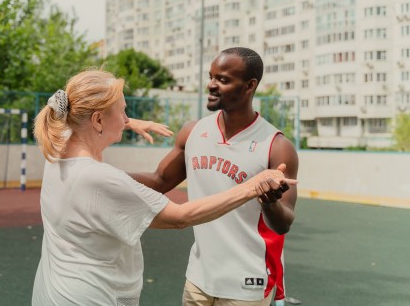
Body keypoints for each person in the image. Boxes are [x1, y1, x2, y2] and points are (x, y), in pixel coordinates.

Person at [31, 68, 296, 306]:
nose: (127, 118)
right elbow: (181, 217)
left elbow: (78, 116)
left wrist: (128, 123)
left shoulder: (57, 151)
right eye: (123, 111)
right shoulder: (100, 178)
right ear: (98, 121)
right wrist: (252, 187)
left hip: (53, 292)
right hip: (91, 297)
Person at [130, 47, 299, 306]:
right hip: (199, 276)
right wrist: (102, 175)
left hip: (248, 281)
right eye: (211, 77)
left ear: (249, 86)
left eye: (223, 80)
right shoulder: (193, 132)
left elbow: (284, 223)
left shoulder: (276, 146)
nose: (211, 85)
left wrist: (269, 201)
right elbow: (159, 181)